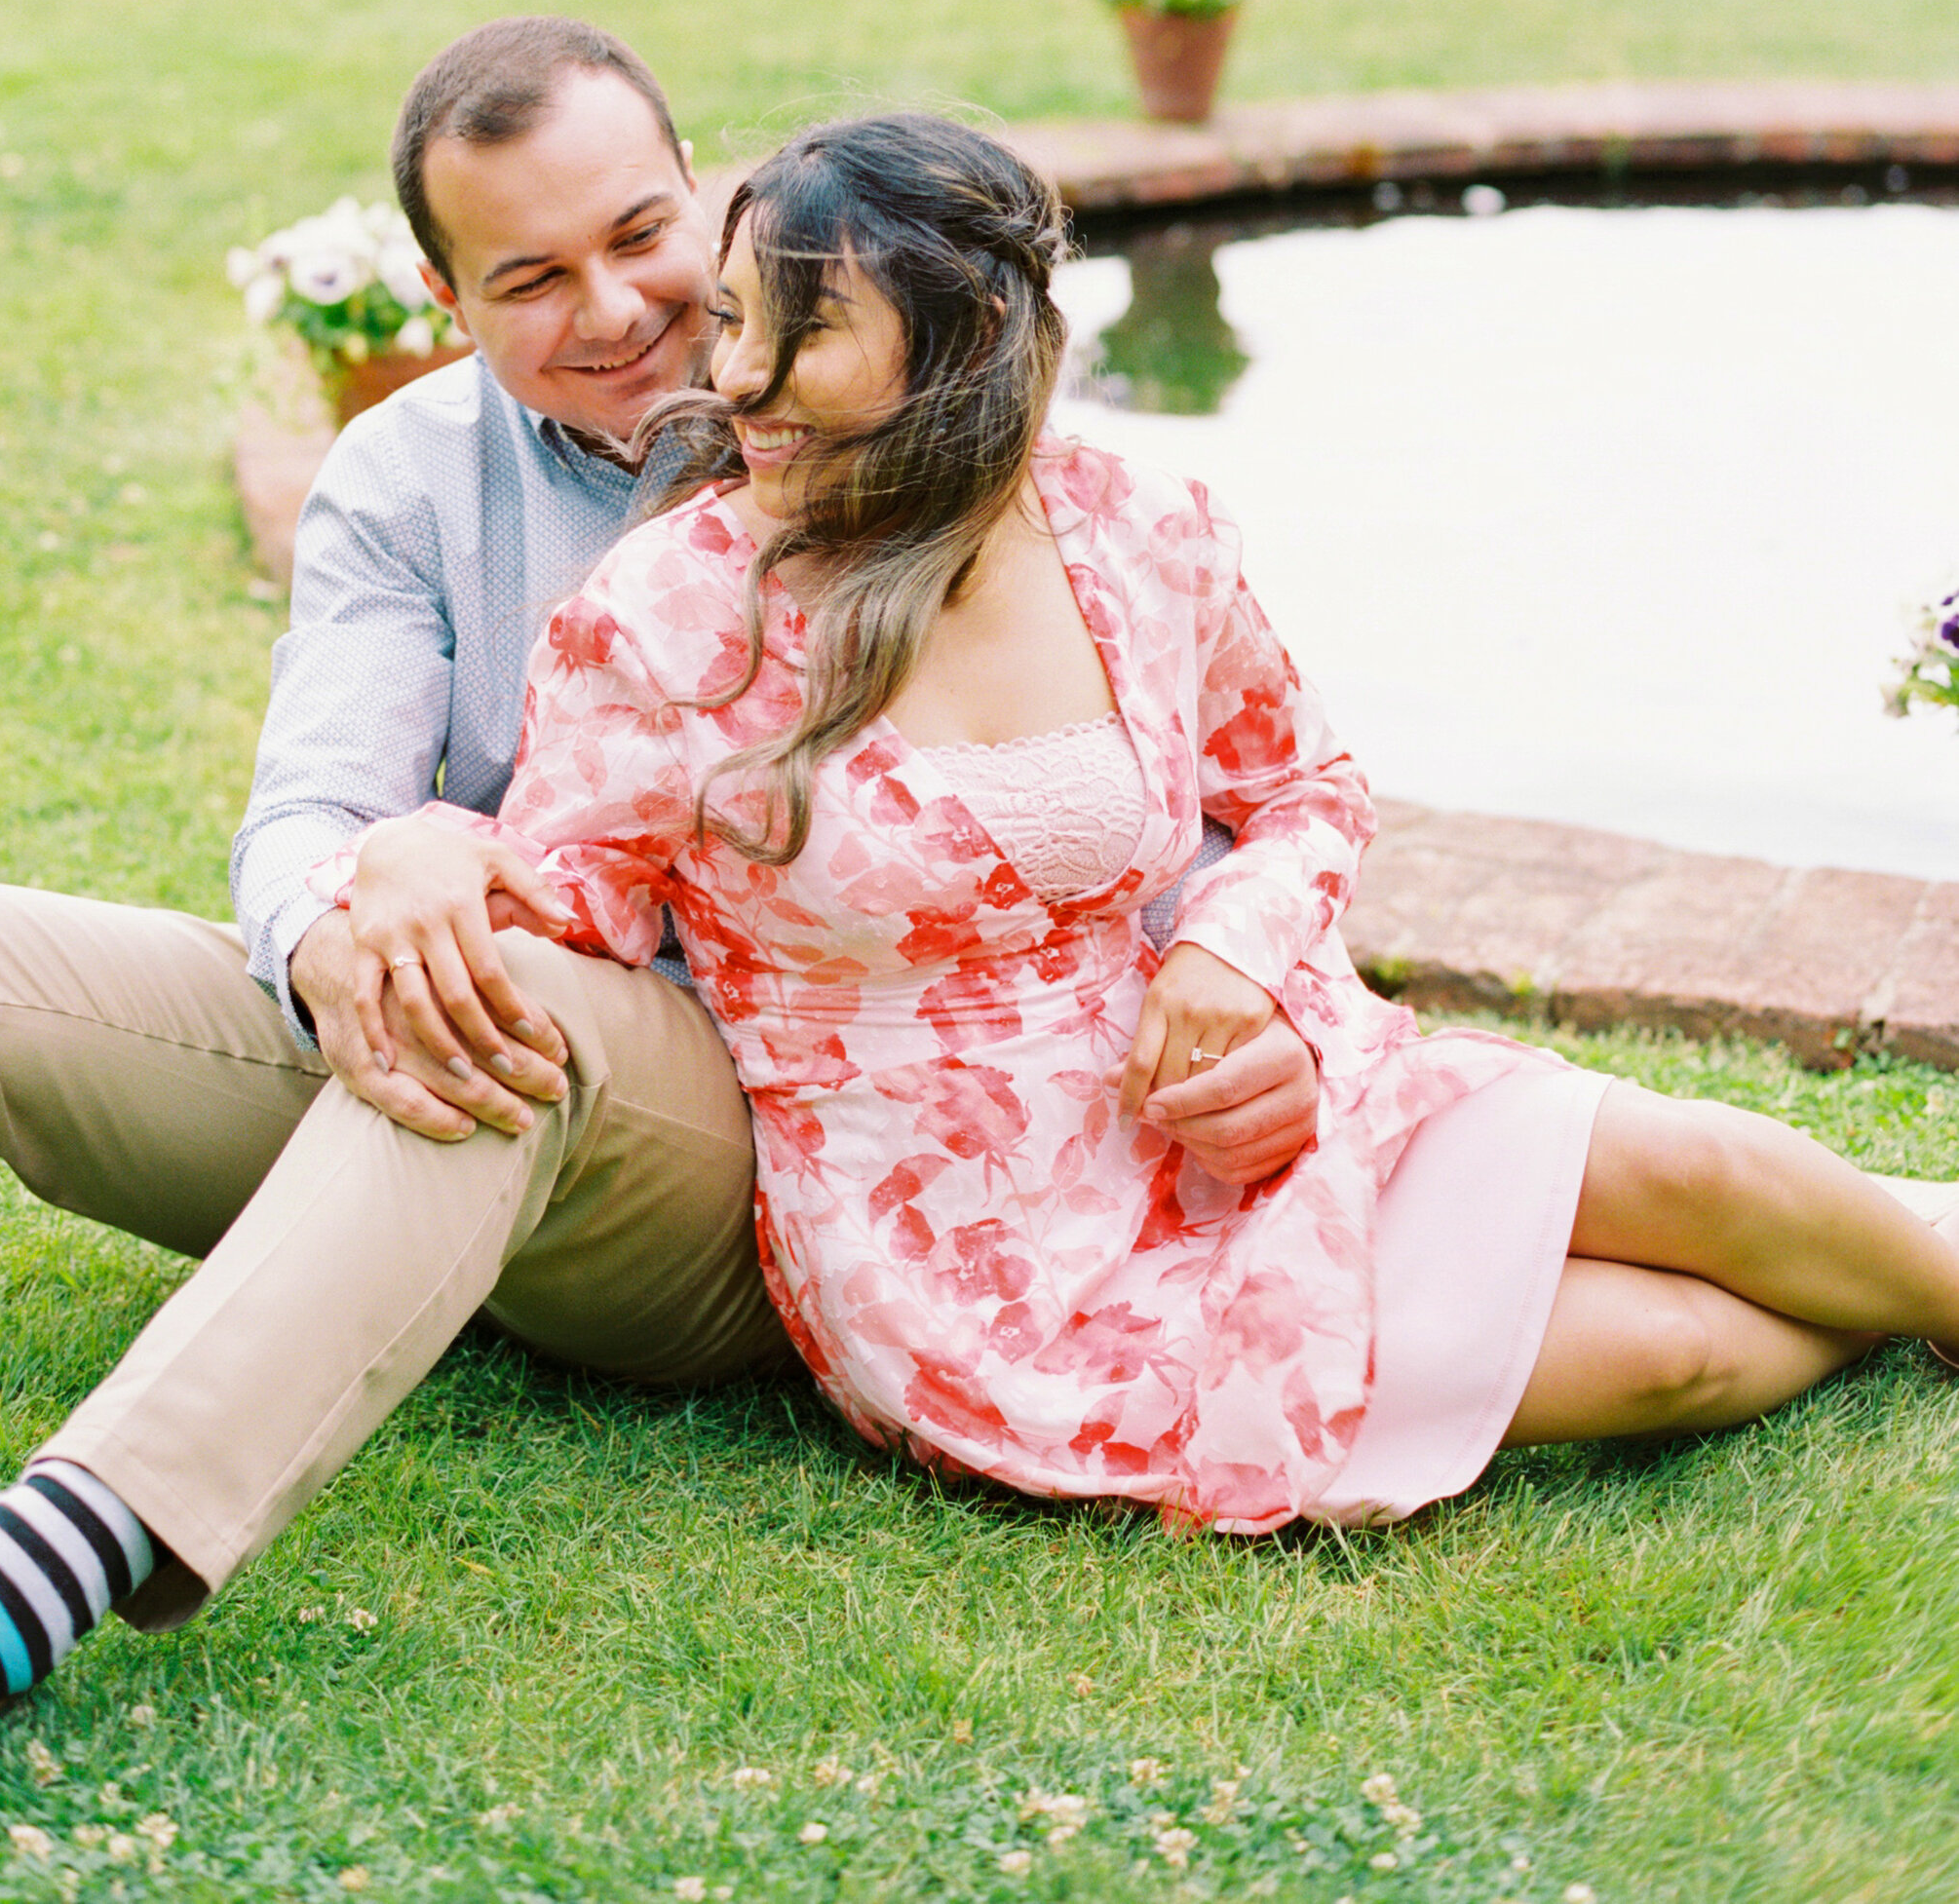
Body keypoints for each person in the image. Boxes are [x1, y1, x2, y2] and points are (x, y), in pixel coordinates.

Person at [0, 22, 1317, 1857]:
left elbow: (1200, 787)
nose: (616, 307)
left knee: (503, 1000)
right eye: (530, 276)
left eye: (642, 233)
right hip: (473, 1028)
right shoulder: (404, 479)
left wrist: (1258, 992)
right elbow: (312, 811)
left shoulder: (906, 421)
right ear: (448, 297)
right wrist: (351, 913)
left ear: (712, 194)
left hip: (802, 1155)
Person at [330, 112, 1959, 1533]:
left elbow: (1305, 788)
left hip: (1246, 1097)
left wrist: (1237, 950)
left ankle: (1923, 1272)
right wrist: (411, 852)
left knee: (1704, 1166)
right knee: (1674, 1348)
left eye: (804, 334)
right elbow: (569, 904)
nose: (734, 379)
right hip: (979, 1251)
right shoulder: (673, 616)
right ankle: (1907, 1264)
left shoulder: (1137, 527)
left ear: (962, 338)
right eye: (740, 319)